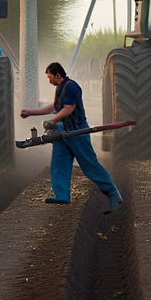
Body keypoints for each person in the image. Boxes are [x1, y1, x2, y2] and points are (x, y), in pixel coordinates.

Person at [21, 62, 124, 214]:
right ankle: (61, 195)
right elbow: (54, 106)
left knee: (89, 165)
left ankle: (114, 194)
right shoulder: (59, 88)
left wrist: (53, 121)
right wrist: (31, 112)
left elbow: (69, 109)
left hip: (77, 130)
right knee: (59, 160)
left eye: (50, 78)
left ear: (58, 75)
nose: (49, 81)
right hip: (64, 129)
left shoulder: (71, 87)